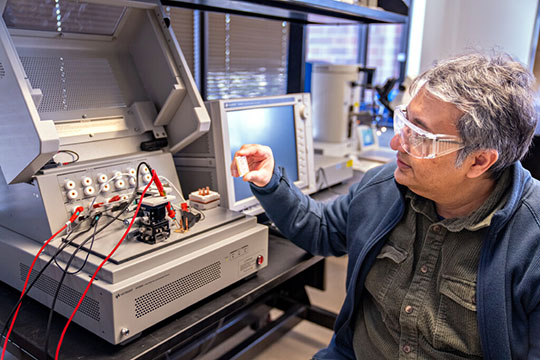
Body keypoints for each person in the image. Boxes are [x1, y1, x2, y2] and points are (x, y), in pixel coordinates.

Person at [231, 53, 540, 359]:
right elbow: (323, 229)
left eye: (419, 135)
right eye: (404, 123)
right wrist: (270, 182)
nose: (397, 144)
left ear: (479, 161)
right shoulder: (385, 186)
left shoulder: (532, 242)